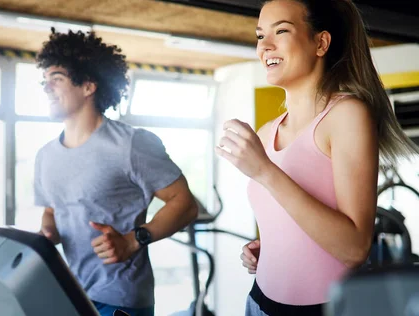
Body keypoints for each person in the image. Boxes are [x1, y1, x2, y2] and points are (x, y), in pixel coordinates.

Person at [215, 0, 418, 315]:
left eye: (281, 31)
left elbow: (354, 249)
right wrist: (271, 249)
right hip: (258, 303)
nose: (264, 46)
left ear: (320, 43)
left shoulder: (346, 115)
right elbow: (293, 219)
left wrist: (265, 171)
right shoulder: (267, 131)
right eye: (259, 36)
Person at [33, 29, 198, 316]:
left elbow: (184, 204)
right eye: (44, 81)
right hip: (71, 291)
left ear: (88, 86)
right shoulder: (45, 156)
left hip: (121, 298)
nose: (47, 88)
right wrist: (48, 233)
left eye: (56, 79)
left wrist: (133, 240)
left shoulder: (131, 144)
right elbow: (52, 209)